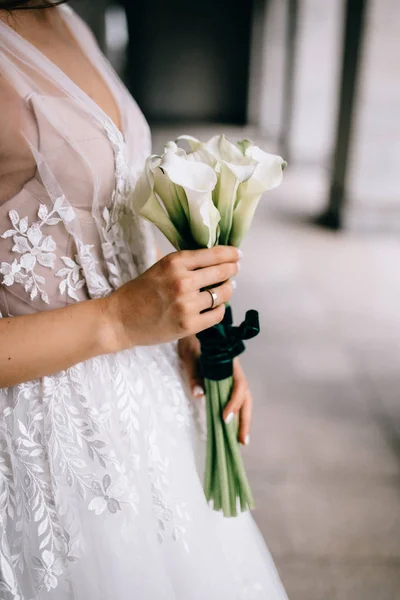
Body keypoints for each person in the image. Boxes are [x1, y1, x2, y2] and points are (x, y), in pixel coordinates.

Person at [0, 2, 288, 598]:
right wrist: (119, 319)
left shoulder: (64, 17)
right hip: (48, 442)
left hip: (146, 408)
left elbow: (109, 222)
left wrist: (191, 330)